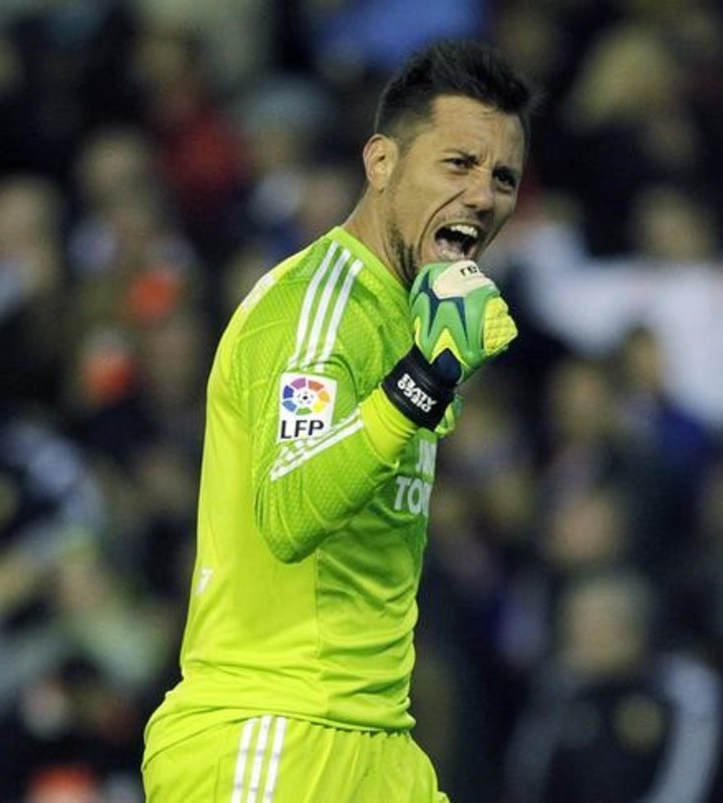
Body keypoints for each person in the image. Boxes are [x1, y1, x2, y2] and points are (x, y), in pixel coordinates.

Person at [140, 40, 536, 802]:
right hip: (271, 735)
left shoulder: (414, 316)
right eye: (458, 164)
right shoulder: (317, 312)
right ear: (382, 162)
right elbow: (291, 510)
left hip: (379, 741)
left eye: (503, 177)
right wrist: (425, 380)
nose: (483, 196)